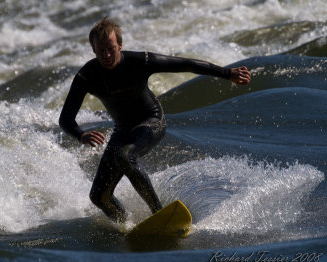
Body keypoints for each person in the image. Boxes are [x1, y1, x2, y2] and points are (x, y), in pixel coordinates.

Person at [59, 17, 251, 223]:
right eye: (100, 51)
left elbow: (185, 64)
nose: (106, 55)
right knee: (99, 196)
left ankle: (159, 214)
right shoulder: (87, 76)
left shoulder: (140, 61)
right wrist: (80, 135)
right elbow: (65, 118)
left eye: (111, 49)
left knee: (125, 155)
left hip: (151, 120)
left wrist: (227, 73)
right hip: (122, 130)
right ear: (93, 50)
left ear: (120, 45)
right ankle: (126, 224)